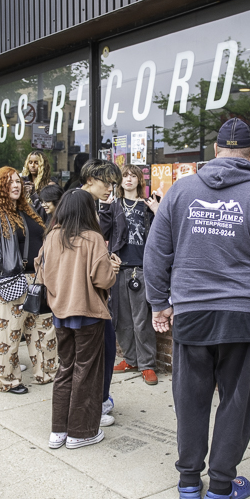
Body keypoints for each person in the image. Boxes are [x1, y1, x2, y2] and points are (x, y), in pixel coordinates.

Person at [144, 117, 250, 499]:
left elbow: (155, 254)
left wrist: (159, 303)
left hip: (193, 315)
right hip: (244, 317)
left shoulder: (180, 191)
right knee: (238, 401)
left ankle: (188, 481)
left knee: (190, 399)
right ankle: (220, 486)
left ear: (215, 152)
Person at [38, 189, 120, 449]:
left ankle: (58, 432)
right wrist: (113, 267)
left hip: (60, 313)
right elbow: (103, 279)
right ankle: (81, 433)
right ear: (87, 210)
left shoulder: (52, 236)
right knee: (87, 371)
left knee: (65, 369)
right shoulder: (93, 238)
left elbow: (42, 271)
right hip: (88, 313)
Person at [0, 166, 58, 394]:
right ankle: (7, 380)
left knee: (43, 329)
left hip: (37, 279)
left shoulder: (29, 211)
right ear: (0, 186)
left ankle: (47, 372)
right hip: (7, 281)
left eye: (18, 181)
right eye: (10, 182)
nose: (16, 185)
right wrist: (3, 265)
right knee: (7, 334)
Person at [100, 164, 161, 385]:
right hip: (119, 268)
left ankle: (147, 364)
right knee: (121, 318)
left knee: (141, 318)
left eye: (133, 176)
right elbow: (103, 233)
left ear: (139, 180)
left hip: (141, 268)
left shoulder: (147, 204)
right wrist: (104, 210)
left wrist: (157, 211)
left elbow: (161, 234)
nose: (128, 179)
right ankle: (130, 359)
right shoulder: (114, 204)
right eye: (125, 176)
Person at [78, 158, 122, 413]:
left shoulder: (86, 203)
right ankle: (98, 401)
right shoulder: (79, 203)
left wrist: (105, 259)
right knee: (101, 349)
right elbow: (76, 251)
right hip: (86, 292)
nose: (110, 189)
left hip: (87, 290)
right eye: (107, 182)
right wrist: (105, 266)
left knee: (101, 347)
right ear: (91, 179)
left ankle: (97, 399)